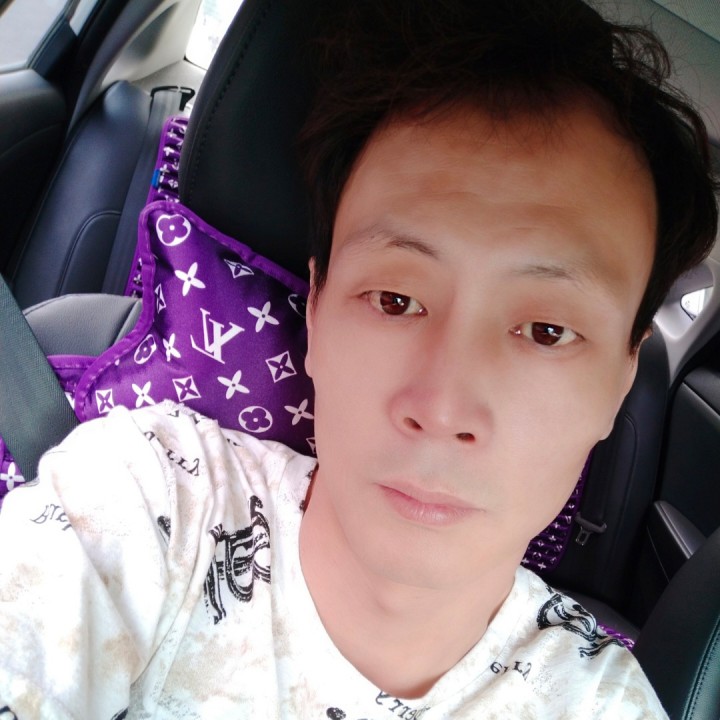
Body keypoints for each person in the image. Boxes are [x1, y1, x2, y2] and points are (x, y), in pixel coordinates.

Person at [0, 0, 717, 717]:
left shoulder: (606, 703)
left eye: (547, 331)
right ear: (315, 309)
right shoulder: (145, 497)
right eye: (395, 300)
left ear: (621, 380)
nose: (442, 409)